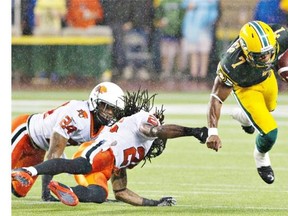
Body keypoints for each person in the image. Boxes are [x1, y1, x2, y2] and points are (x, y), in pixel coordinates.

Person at [12, 89, 208, 207]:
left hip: (106, 165)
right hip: (99, 151)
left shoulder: (140, 150)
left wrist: (154, 203)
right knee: (79, 165)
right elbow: (155, 130)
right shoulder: (143, 121)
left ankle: (64, 189)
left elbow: (121, 190)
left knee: (99, 194)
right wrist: (194, 131)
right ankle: (29, 171)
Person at [11, 81, 125, 201]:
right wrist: (46, 194)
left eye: (114, 109)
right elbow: (54, 154)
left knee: (19, 190)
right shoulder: (77, 115)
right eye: (106, 107)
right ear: (95, 101)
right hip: (24, 132)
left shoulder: (103, 128)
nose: (110, 113)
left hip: (40, 148)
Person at [206, 20, 288, 184]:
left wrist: (284, 64)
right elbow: (216, 98)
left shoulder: (280, 35)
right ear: (245, 50)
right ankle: (261, 157)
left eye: (269, 53)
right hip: (247, 88)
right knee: (270, 132)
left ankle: (243, 116)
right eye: (260, 56)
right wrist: (212, 132)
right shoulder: (231, 64)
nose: (266, 58)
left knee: (269, 108)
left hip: (267, 78)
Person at [180, 0, 219, 82]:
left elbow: (214, 11)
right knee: (193, 52)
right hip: (192, 29)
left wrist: (209, 21)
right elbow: (184, 5)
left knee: (204, 52)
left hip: (205, 29)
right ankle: (194, 74)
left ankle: (203, 74)